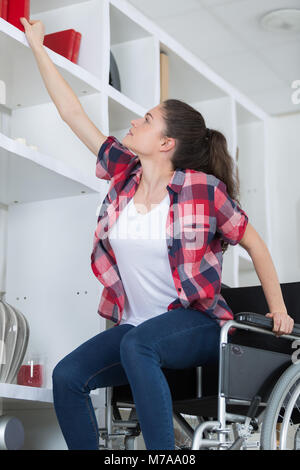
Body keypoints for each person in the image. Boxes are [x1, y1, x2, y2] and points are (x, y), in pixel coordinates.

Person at [20, 17, 294, 451]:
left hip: (197, 324)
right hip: (137, 327)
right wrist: (36, 44)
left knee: (138, 345)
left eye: (146, 119)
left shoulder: (203, 191)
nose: (134, 121)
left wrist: (278, 309)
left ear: (166, 143)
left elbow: (254, 243)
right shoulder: (123, 175)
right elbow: (73, 113)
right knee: (68, 376)